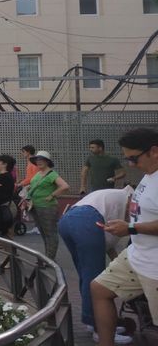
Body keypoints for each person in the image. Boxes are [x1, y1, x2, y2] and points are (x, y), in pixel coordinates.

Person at [92, 128, 158, 346]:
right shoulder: (149, 175)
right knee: (99, 289)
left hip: (154, 266)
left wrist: (130, 228)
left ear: (154, 151)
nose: (130, 164)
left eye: (134, 158)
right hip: (136, 255)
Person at [59, 187, 134, 343]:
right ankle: (100, 329)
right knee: (96, 278)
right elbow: (111, 235)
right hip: (85, 221)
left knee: (86, 274)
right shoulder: (122, 199)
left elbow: (107, 242)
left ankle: (93, 321)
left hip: (67, 220)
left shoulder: (111, 195)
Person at [22, 150, 70, 259]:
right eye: (37, 160)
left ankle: (50, 258)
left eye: (42, 160)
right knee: (43, 232)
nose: (39, 162)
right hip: (35, 206)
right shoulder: (38, 173)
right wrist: (30, 188)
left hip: (47, 207)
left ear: (47, 161)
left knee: (50, 233)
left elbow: (65, 186)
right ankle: (47, 256)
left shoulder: (51, 174)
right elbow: (35, 185)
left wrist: (52, 195)